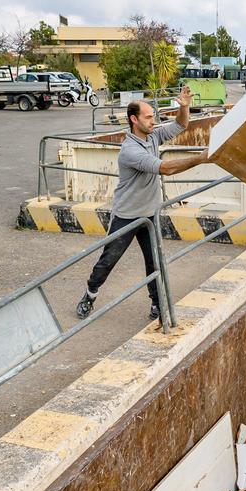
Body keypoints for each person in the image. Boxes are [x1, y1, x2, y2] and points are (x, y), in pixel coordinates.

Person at [76, 86, 208, 321]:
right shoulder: (129, 151)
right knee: (108, 260)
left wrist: (184, 107)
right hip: (126, 215)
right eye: (148, 117)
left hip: (150, 214)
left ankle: (157, 304)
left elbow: (180, 125)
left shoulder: (153, 136)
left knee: (154, 261)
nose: (153, 121)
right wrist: (201, 158)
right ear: (134, 119)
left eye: (154, 116)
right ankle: (90, 294)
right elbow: (165, 168)